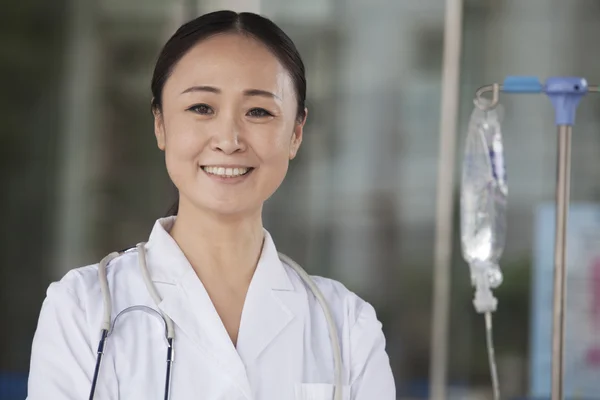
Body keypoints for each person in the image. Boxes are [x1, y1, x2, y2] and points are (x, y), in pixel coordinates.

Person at [26, 10, 395, 399]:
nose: (229, 138)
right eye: (201, 108)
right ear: (160, 124)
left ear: (296, 133)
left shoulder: (345, 327)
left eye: (259, 111)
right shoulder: (83, 308)